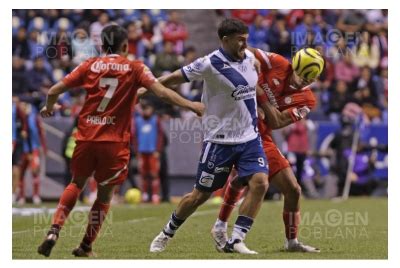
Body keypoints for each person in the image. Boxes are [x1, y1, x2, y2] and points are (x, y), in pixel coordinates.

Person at [37, 24, 204, 258]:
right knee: (104, 196)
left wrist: (49, 107)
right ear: (125, 46)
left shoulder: (89, 65)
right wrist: (192, 105)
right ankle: (85, 246)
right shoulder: (135, 68)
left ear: (102, 45)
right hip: (114, 143)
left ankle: (54, 230)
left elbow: (54, 90)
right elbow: (162, 93)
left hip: (85, 137)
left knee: (76, 183)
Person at [149, 18, 272, 255]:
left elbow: (251, 87)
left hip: (249, 137)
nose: (245, 44)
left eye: (247, 39)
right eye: (241, 40)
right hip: (219, 141)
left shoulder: (249, 58)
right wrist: (146, 88)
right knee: (199, 196)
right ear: (225, 40)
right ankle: (167, 232)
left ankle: (236, 239)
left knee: (260, 183)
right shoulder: (209, 63)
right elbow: (174, 78)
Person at [211, 47, 324, 253]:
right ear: (294, 66)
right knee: (240, 183)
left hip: (261, 136)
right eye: (302, 75)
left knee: (292, 190)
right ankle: (226, 231)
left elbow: (279, 121)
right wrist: (248, 67)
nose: (304, 81)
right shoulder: (276, 62)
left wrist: (259, 93)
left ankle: (291, 242)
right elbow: (244, 49)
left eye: (311, 78)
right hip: (235, 124)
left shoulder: (308, 100)